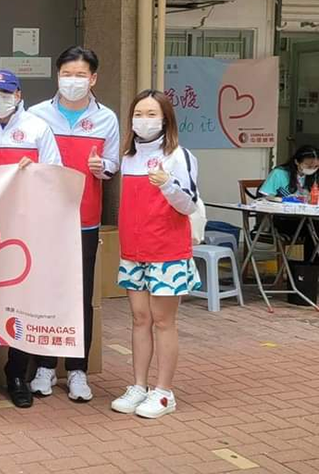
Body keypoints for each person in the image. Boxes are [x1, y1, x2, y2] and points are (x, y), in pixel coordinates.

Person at [0, 69, 62, 409]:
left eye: (7, 93)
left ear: (18, 95)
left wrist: (34, 171)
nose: (0, 99)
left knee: (22, 300)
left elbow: (55, 172)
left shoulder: (37, 127)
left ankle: (17, 373)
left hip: (23, 226)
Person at [26, 46, 119, 403]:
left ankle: (78, 369)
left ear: (93, 78)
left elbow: (113, 164)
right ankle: (45, 366)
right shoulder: (37, 115)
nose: (73, 81)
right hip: (44, 219)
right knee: (45, 292)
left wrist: (102, 167)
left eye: (81, 75)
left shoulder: (106, 119)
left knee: (80, 295)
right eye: (67, 74)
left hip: (84, 219)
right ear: (57, 76)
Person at [111, 90, 200, 419]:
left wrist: (167, 184)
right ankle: (139, 385)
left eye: (151, 114)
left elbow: (189, 205)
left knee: (163, 321)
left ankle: (164, 392)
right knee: (140, 319)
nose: (143, 120)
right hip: (134, 251)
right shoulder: (128, 156)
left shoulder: (179, 156)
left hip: (167, 252)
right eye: (138, 114)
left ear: (165, 119)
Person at [259, 145, 319, 259]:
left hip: (306, 218)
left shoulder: (314, 176)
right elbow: (265, 197)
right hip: (282, 219)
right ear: (297, 162)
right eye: (308, 166)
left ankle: (309, 266)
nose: (312, 169)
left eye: (316, 166)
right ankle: (308, 266)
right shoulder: (279, 173)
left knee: (313, 227)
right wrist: (281, 199)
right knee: (314, 229)